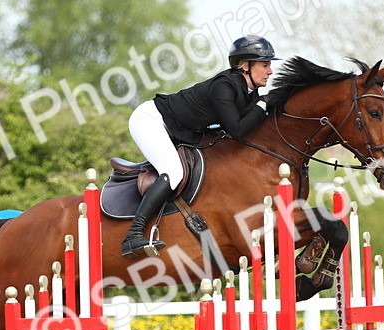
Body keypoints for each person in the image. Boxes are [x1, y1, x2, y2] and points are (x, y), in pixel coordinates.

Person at [121, 35, 282, 257]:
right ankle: (133, 235)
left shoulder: (248, 92)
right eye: (265, 65)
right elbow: (237, 129)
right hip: (150, 120)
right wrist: (264, 103)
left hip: (177, 129)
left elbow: (251, 124)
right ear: (246, 66)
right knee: (174, 172)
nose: (270, 71)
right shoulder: (224, 87)